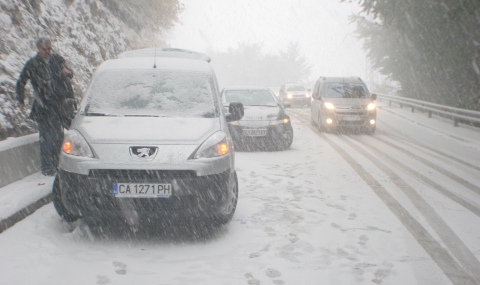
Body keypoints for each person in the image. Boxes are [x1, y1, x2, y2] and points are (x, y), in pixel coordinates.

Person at [16, 38, 75, 176]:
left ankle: (57, 165)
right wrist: (21, 100)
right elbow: (21, 82)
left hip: (58, 106)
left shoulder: (57, 60)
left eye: (49, 49)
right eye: (45, 49)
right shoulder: (32, 64)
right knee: (46, 138)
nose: (48, 51)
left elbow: (70, 73)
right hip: (42, 107)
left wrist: (67, 72)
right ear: (38, 49)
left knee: (58, 137)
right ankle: (48, 167)